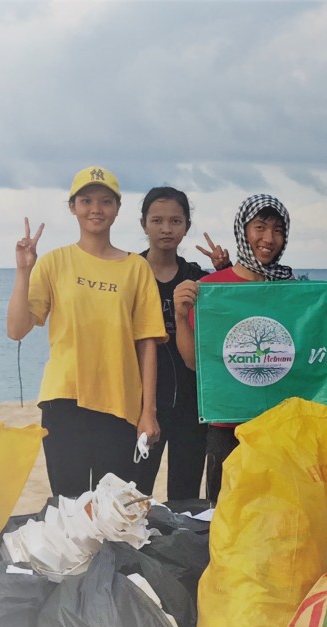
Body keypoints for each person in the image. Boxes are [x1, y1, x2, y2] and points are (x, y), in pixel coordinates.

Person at [6, 166, 166, 498]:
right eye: (86, 200)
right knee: (70, 511)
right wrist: (23, 270)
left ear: (117, 209)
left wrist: (147, 412)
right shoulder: (54, 262)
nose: (96, 209)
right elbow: (16, 329)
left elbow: (147, 343)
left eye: (106, 201)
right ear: (73, 207)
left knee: (112, 515)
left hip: (120, 405)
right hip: (64, 401)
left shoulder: (137, 268)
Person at [173, 194, 293, 503]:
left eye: (278, 230)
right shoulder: (213, 288)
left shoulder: (293, 289)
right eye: (260, 227)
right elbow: (192, 362)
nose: (269, 238)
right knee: (224, 516)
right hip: (227, 425)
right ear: (243, 229)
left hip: (279, 427)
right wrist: (179, 315)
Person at [132, 186, 226, 500]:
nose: (166, 229)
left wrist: (223, 272)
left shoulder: (197, 277)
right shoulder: (129, 272)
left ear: (186, 226)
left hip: (191, 403)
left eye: (175, 221)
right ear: (143, 223)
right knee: (133, 491)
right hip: (139, 402)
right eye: (157, 220)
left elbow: (230, 313)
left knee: (184, 495)